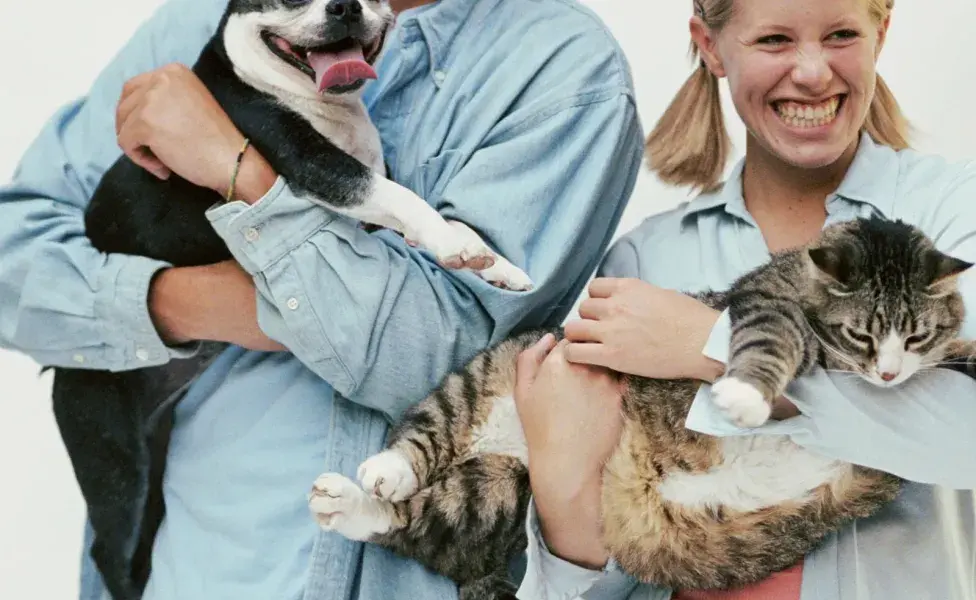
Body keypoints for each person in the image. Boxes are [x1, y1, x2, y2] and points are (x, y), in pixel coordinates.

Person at [0, 0, 645, 598]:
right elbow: (13, 259)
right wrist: (184, 305)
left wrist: (237, 168)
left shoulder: (561, 64)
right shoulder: (208, 17)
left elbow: (441, 367)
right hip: (202, 569)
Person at [514, 0, 976, 598]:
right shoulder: (645, 263)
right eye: (775, 40)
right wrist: (561, 491)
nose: (812, 72)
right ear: (710, 46)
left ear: (880, 33)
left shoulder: (952, 215)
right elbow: (607, 567)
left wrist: (711, 345)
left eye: (840, 34)